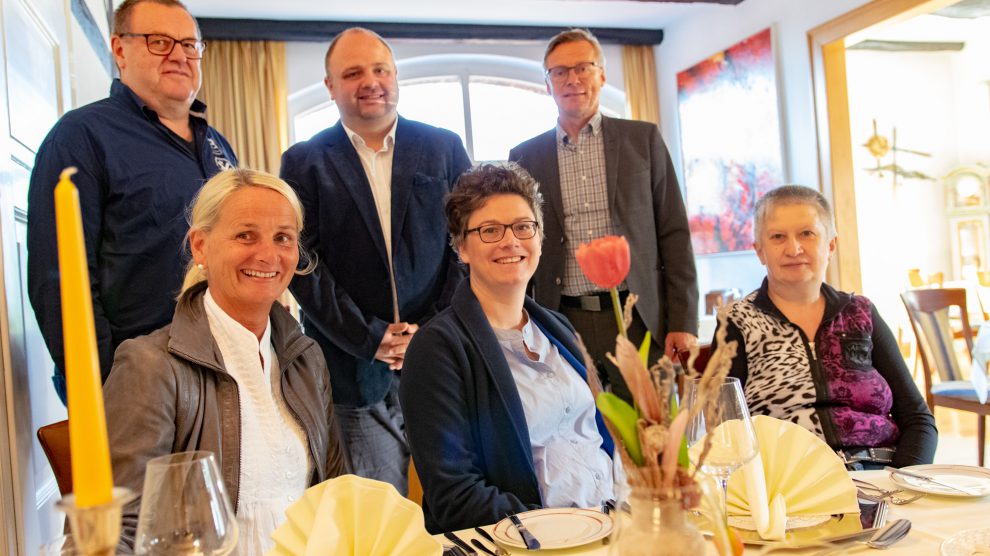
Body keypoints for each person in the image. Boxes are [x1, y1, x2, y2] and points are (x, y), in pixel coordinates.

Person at [104, 169, 346, 555]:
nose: (267, 255)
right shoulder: (151, 366)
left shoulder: (307, 359)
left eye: (282, 238)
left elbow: (338, 492)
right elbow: (118, 530)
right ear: (201, 247)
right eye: (245, 235)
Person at [280, 27, 470, 495]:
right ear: (330, 86)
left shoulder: (443, 147)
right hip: (353, 370)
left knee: (456, 501)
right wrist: (372, 338)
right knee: (379, 509)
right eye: (353, 73)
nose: (370, 81)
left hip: (440, 359)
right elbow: (304, 265)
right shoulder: (303, 161)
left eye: (380, 69)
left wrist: (429, 327)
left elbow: (466, 245)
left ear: (395, 75)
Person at [27, 0, 236, 404]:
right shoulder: (80, 136)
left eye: (190, 45)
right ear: (120, 50)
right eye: (159, 42)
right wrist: (103, 380)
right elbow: (59, 279)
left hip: (218, 371)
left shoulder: (217, 144)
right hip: (133, 380)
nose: (179, 55)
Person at [401, 163, 614, 533]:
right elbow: (455, 496)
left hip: (610, 526)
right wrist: (556, 527)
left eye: (522, 226)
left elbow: (598, 435)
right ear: (461, 247)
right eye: (489, 230)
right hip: (531, 541)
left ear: (539, 237)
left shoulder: (557, 328)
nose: (510, 241)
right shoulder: (437, 349)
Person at [509, 28, 698, 402]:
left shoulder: (642, 139)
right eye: (559, 72)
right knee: (576, 441)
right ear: (547, 84)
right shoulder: (524, 157)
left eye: (582, 67)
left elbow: (674, 233)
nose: (572, 79)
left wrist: (683, 321)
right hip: (562, 320)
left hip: (638, 318)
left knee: (654, 439)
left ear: (602, 75)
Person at [711, 185, 937, 469]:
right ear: (760, 251)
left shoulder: (861, 313)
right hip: (792, 483)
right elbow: (724, 429)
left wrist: (906, 482)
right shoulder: (737, 322)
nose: (793, 248)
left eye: (807, 233)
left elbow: (918, 419)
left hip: (878, 472)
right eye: (778, 237)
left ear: (830, 245)